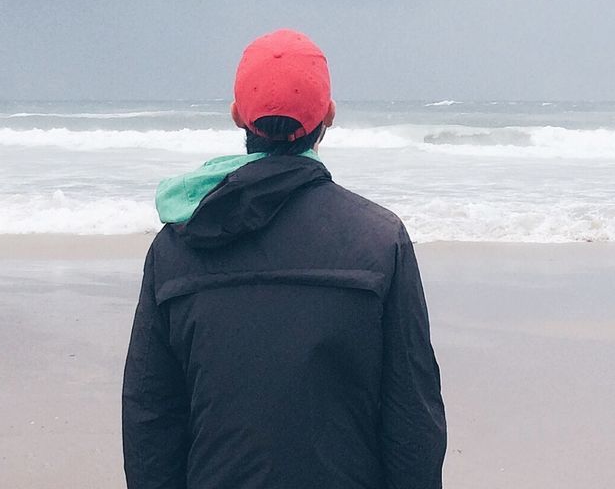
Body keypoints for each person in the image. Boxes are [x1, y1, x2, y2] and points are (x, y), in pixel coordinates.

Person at [122, 29, 447, 489]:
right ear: (328, 116)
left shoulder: (177, 246)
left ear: (238, 116)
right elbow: (412, 415)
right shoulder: (378, 241)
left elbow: (150, 415)